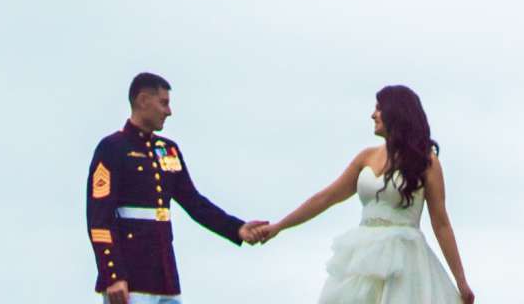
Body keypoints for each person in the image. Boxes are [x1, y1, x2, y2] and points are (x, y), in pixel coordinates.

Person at [250, 84, 474, 304]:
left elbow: (441, 222)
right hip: (362, 258)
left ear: (396, 113)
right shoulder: (365, 157)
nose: (373, 115)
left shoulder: (427, 162)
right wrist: (278, 226)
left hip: (405, 262)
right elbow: (325, 198)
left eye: (379, 108)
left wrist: (461, 281)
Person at [86, 71, 268, 303]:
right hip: (129, 280)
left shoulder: (168, 150)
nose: (168, 112)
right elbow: (99, 219)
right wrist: (112, 275)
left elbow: (195, 202)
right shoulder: (112, 148)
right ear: (143, 100)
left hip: (165, 279)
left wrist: (237, 228)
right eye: (163, 103)